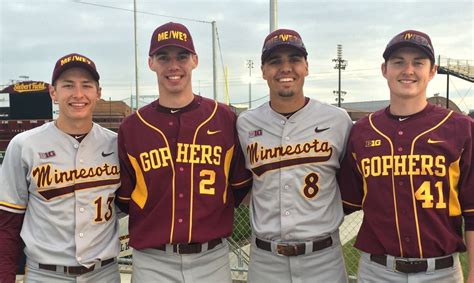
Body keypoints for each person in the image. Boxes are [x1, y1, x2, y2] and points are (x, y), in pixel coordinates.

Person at [115, 22, 252, 282]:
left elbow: (238, 188)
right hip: (152, 261)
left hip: (211, 258)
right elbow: (125, 199)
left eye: (182, 56)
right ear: (151, 63)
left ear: (195, 61)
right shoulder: (132, 127)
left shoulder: (223, 118)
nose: (173, 65)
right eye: (163, 57)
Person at [338, 29, 474, 283]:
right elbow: (349, 200)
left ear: (432, 71)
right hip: (377, 271)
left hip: (441, 273)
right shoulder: (362, 131)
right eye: (398, 62)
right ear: (384, 69)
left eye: (418, 63)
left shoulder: (460, 128)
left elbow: (472, 209)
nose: (408, 70)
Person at [236, 28, 352, 282]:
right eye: (275, 61)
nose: (285, 68)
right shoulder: (245, 124)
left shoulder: (338, 120)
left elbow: (352, 184)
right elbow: (241, 186)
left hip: (323, 258)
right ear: (263, 70)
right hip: (266, 260)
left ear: (306, 67)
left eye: (294, 60)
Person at [0, 53, 121, 282]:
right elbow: (7, 221)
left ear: (98, 93)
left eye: (86, 85)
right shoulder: (25, 145)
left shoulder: (116, 144)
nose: (78, 94)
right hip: (45, 274)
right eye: (68, 85)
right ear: (53, 93)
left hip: (105, 273)